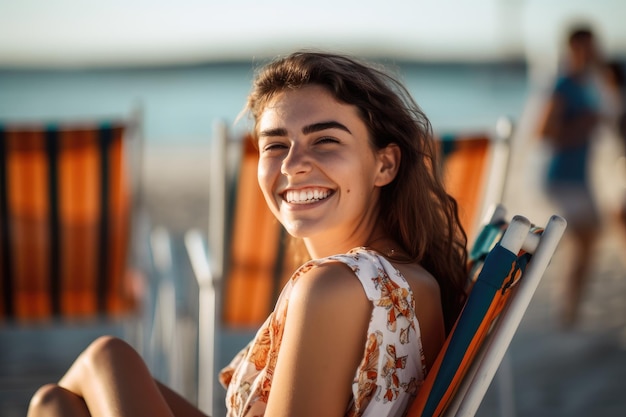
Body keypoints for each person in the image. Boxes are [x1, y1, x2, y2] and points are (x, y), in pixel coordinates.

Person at [27, 51, 468, 417]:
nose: (293, 163)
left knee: (96, 367)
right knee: (71, 388)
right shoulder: (410, 278)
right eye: (275, 144)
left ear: (385, 164)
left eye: (325, 141)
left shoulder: (334, 286)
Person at [536, 26, 603, 327]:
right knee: (582, 239)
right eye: (584, 47)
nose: (590, 52)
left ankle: (570, 307)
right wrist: (582, 127)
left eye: (593, 46)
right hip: (562, 176)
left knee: (589, 240)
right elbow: (544, 132)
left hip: (581, 176)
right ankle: (567, 311)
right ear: (572, 48)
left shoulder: (589, 83)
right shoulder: (562, 84)